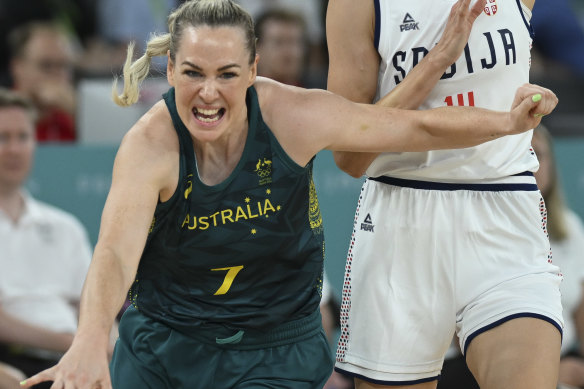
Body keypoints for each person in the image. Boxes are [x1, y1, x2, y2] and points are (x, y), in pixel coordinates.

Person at [20, 1, 556, 388]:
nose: (209, 92)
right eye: (193, 74)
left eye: (228, 74)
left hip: (274, 347)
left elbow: (419, 130)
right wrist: (90, 338)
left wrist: (506, 121)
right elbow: (114, 251)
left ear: (254, 71)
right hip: (165, 341)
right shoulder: (150, 146)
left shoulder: (295, 117)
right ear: (171, 72)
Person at [326, 0, 564, 387]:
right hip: (399, 218)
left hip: (503, 205)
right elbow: (349, 154)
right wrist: (438, 59)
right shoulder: (355, 6)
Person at [0, 88, 93, 387]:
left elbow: (94, 311)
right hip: (18, 360)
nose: (14, 149)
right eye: (2, 138)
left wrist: (115, 347)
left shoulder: (66, 227)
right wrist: (74, 344)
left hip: (75, 359)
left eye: (22, 137)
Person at [8, 22, 78, 142]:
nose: (57, 75)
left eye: (64, 66)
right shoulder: (3, 114)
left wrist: (80, 114)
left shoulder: (73, 118)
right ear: (18, 67)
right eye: (46, 65)